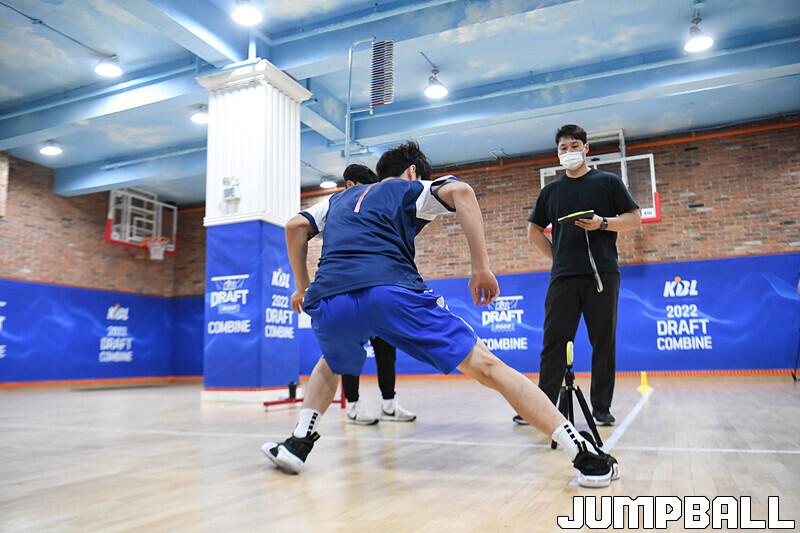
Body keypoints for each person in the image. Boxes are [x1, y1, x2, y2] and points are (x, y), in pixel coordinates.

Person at [262, 141, 620, 488]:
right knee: (487, 367)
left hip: (330, 300)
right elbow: (462, 192)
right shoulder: (409, 187)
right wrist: (481, 267)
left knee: (331, 362)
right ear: (412, 171)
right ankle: (584, 452)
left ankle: (298, 442)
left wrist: (302, 288)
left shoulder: (337, 200)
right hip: (390, 291)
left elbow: (295, 226)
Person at [519, 124, 641, 427]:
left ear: (586, 149)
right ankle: (543, 408)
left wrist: (602, 223)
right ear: (557, 153)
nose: (569, 152)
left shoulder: (608, 182)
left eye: (574, 146)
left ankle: (601, 408)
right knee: (554, 343)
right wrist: (558, 258)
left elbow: (634, 218)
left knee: (603, 343)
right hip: (563, 278)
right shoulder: (551, 191)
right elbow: (533, 231)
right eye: (563, 148)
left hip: (603, 274)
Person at [338, 164, 416, 425]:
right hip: (349, 293)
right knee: (350, 351)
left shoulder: (378, 213)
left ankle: (389, 405)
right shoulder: (338, 211)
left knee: (386, 351)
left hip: (378, 292)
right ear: (350, 185)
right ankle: (352, 406)